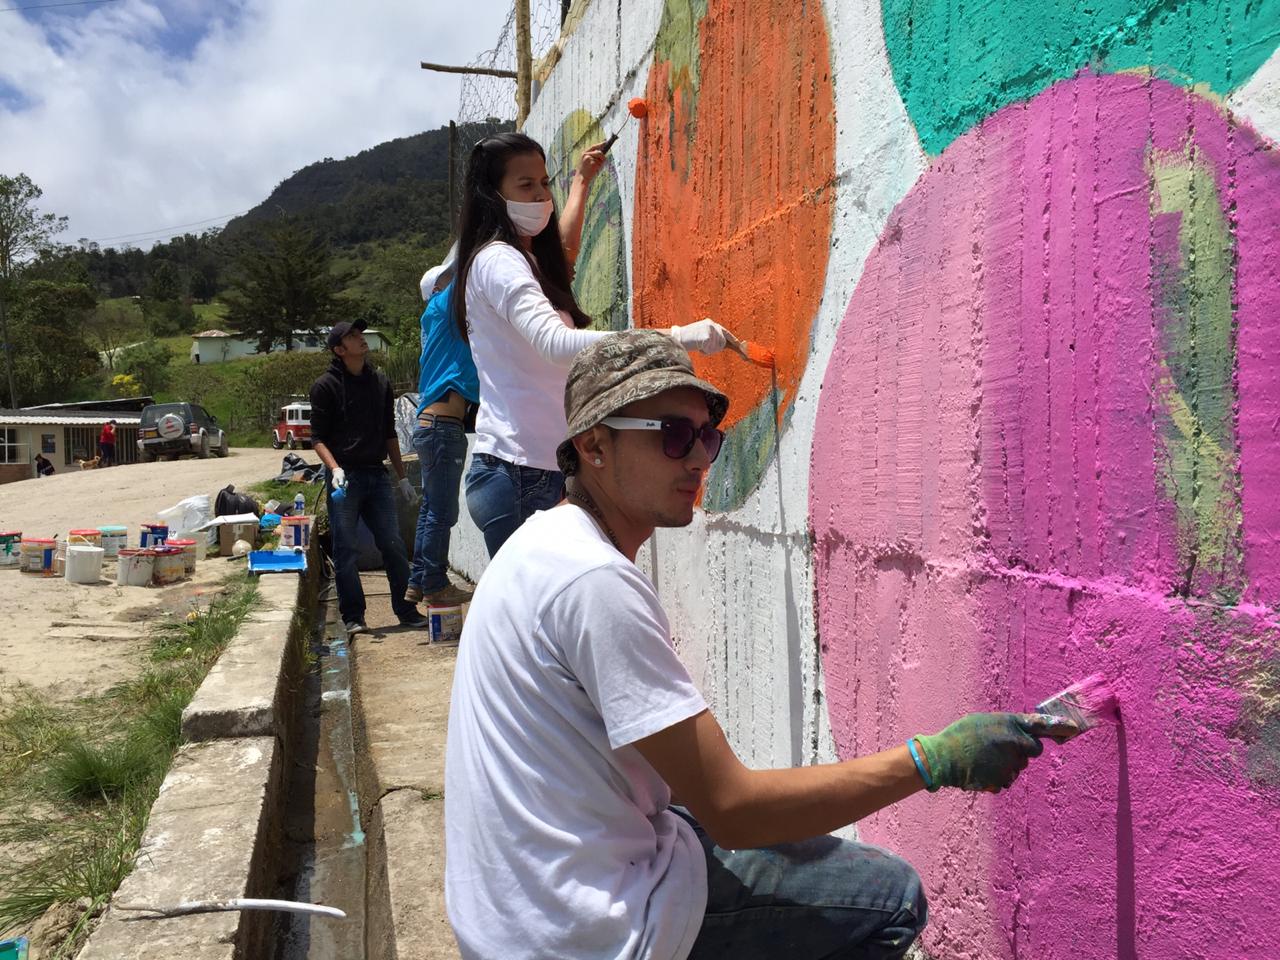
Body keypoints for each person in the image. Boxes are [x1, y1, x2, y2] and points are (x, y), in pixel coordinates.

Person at [444, 330, 1071, 960]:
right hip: (583, 934)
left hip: (517, 915)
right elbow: (733, 811)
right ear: (593, 445)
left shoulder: (538, 546)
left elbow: (696, 791)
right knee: (891, 897)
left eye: (707, 437)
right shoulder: (595, 582)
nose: (697, 459)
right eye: (672, 434)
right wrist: (931, 761)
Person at [453, 132, 731, 557]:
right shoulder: (497, 261)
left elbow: (562, 252)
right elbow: (554, 342)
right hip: (521, 474)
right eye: (525, 185)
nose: (541, 196)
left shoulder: (521, 260)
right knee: (546, 614)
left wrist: (581, 180)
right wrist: (675, 338)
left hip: (535, 470)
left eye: (545, 183)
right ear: (492, 194)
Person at [309, 318, 429, 636]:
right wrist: (334, 469)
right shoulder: (325, 387)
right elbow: (317, 437)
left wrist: (402, 478)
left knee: (392, 544)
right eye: (351, 336)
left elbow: (390, 433)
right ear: (339, 349)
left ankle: (405, 609)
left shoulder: (379, 382)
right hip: (344, 480)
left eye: (360, 333)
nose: (360, 338)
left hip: (377, 475)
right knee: (346, 549)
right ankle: (353, 616)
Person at [405, 248, 476, 608]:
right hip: (443, 426)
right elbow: (466, 267)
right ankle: (434, 584)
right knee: (442, 511)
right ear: (439, 288)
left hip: (433, 425)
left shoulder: (436, 322)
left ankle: (419, 580)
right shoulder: (442, 307)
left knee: (431, 507)